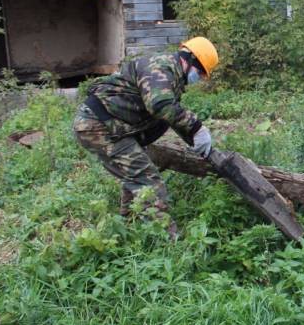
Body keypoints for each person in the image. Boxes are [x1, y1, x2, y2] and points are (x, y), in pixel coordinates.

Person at [72, 37, 219, 239]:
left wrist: (195, 140)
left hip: (110, 124)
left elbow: (168, 115)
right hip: (99, 125)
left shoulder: (170, 76)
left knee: (134, 174)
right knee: (147, 180)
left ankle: (127, 226)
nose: (200, 78)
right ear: (191, 60)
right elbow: (160, 106)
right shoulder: (162, 67)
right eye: (201, 72)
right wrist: (197, 127)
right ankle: (168, 242)